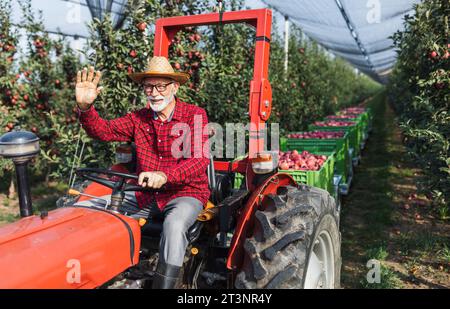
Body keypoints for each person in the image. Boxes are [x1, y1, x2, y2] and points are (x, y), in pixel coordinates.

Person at [74, 56, 210, 289]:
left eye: (161, 86)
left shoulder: (194, 115)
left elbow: (200, 159)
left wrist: (166, 176)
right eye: (149, 86)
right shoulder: (138, 118)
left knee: (175, 226)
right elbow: (103, 131)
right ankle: (89, 275)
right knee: (87, 208)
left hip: (185, 193)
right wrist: (85, 108)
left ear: (174, 87)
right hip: (145, 194)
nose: (154, 92)